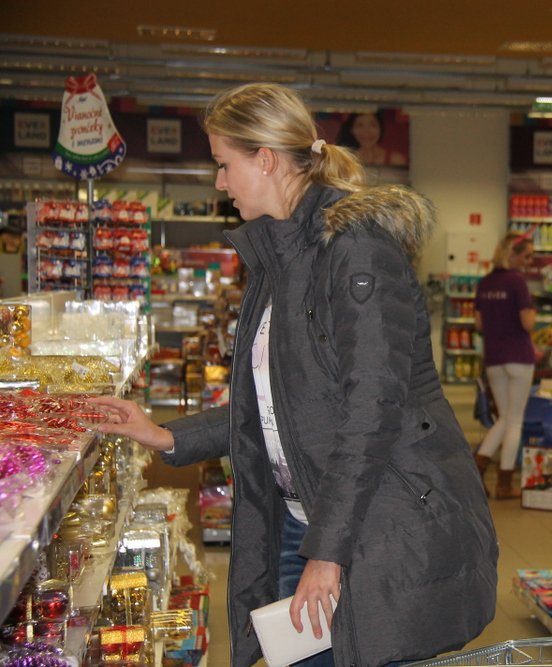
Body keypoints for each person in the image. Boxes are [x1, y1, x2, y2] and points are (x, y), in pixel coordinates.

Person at [91, 82, 498, 667]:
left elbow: (371, 408)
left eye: (223, 164)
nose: (220, 183)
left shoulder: (355, 250)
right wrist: (165, 435)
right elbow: (279, 401)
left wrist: (328, 553)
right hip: (305, 523)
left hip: (378, 528)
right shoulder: (277, 260)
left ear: (265, 159)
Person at [472, 231, 537, 499]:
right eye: (528, 256)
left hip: (494, 358)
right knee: (514, 421)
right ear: (514, 254)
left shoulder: (485, 282)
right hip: (519, 357)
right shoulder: (517, 282)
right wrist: (534, 312)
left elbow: (478, 324)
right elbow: (527, 323)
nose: (530, 262)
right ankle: (504, 483)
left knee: (504, 418)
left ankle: (478, 466)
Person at [336, 111, 407, 167]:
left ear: (380, 128)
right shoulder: (346, 160)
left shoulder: (396, 160)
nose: (366, 131)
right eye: (360, 125)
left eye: (373, 125)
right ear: (351, 130)